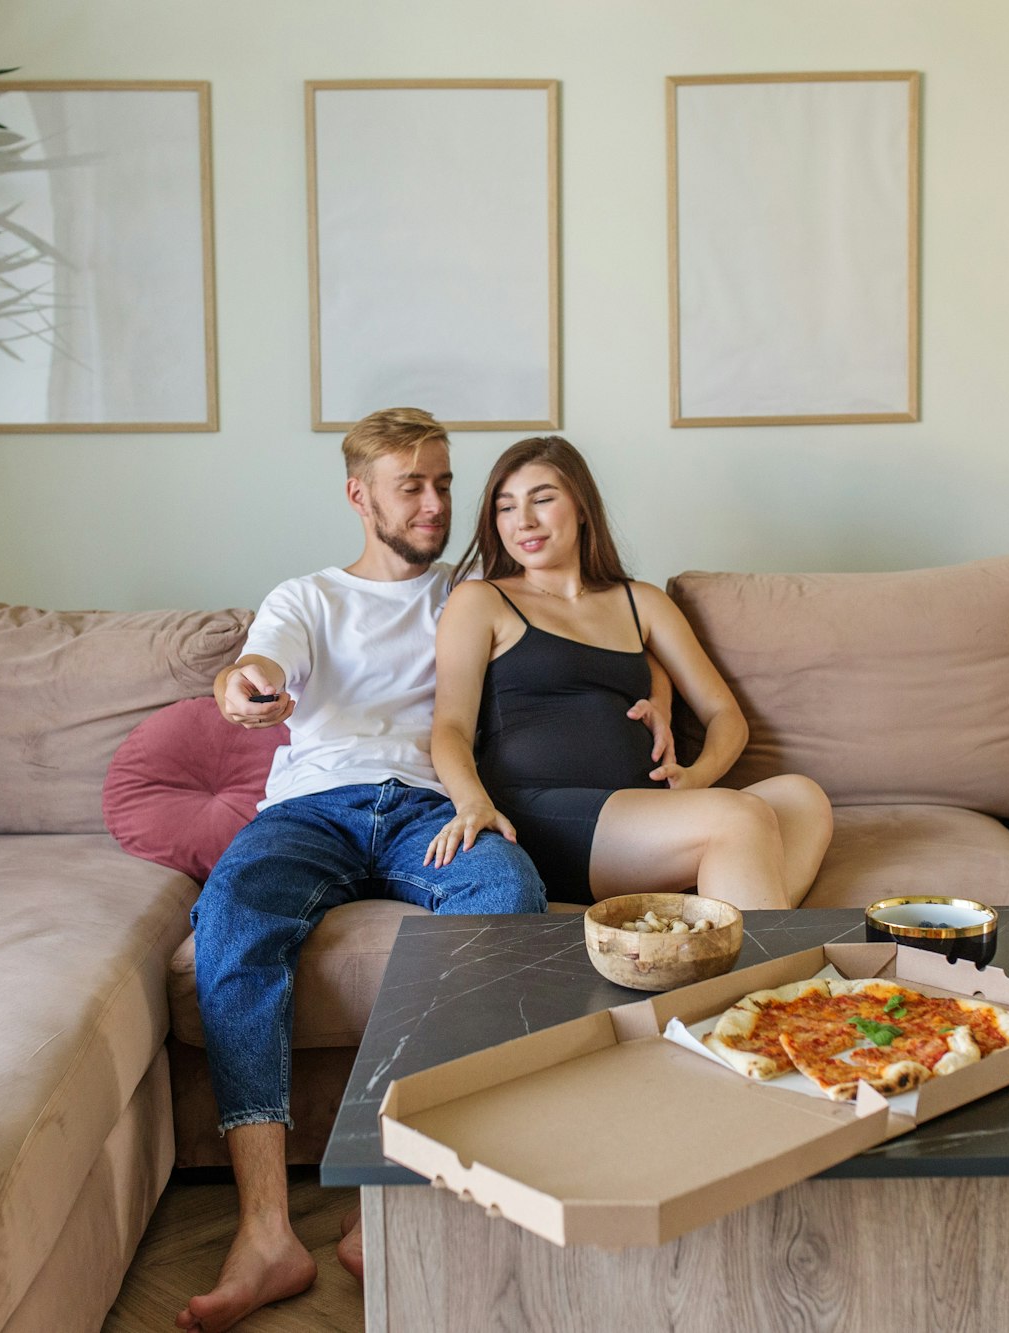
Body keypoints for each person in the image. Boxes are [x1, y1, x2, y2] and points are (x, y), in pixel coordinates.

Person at [178, 409, 670, 1332]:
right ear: (360, 496)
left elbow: (611, 620)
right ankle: (265, 1231)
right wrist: (243, 687)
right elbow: (255, 664)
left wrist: (664, 698)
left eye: (445, 482)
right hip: (311, 809)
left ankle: (394, 1197)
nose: (438, 502)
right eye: (414, 486)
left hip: (430, 809)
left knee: (508, 891)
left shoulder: (478, 593)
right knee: (234, 911)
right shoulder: (308, 597)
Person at [426, 435, 833, 911]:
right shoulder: (482, 600)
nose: (525, 522)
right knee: (739, 816)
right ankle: (762, 975)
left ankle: (700, 929)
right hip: (544, 811)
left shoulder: (642, 602)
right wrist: (472, 801)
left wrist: (696, 778)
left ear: (581, 507)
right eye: (507, 507)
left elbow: (725, 713)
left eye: (542, 499)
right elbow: (450, 725)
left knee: (802, 798)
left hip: (648, 816)